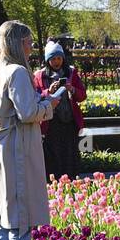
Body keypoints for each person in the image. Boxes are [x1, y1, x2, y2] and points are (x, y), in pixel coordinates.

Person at [0, 20, 56, 240]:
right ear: (17, 43)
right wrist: (49, 105)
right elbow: (27, 113)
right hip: (17, 148)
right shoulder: (17, 72)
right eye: (28, 42)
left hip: (1, 147)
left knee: (2, 217)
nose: (31, 47)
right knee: (20, 217)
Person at [35, 40, 87, 180]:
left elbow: (82, 96)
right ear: (47, 60)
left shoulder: (71, 72)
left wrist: (72, 89)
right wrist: (48, 92)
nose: (56, 62)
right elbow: (35, 97)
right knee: (53, 156)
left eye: (59, 58)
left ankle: (71, 181)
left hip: (69, 122)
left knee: (70, 154)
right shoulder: (40, 76)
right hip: (50, 123)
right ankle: (55, 183)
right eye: (53, 59)